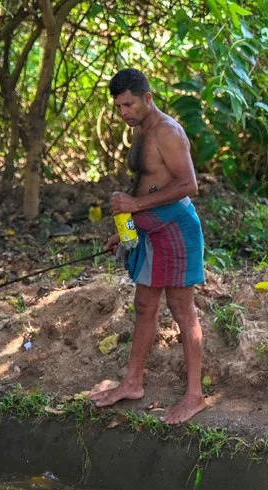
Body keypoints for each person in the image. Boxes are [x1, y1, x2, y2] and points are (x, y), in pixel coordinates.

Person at [89, 68, 206, 424]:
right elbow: (149, 184)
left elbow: (189, 185)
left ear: (147, 98)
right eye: (118, 106)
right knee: (144, 305)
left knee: (181, 308)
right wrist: (128, 230)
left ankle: (195, 396)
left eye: (129, 104)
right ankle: (133, 382)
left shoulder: (167, 131)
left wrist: (136, 207)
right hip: (149, 228)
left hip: (176, 229)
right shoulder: (140, 130)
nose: (123, 111)